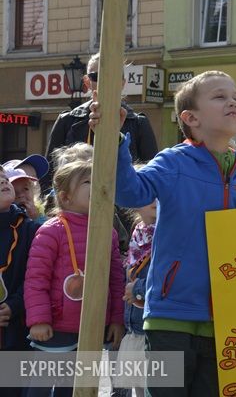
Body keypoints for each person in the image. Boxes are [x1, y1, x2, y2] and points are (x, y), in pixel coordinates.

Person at [90, 70, 236, 397]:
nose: (232, 102)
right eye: (220, 97)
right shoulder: (173, 162)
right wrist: (113, 138)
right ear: (191, 118)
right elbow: (130, 193)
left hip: (226, 318)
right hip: (172, 314)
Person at [24, 160, 125, 397]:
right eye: (88, 181)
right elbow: (36, 279)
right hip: (54, 327)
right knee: (39, 387)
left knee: (73, 390)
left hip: (91, 328)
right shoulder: (51, 230)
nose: (98, 184)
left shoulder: (107, 231)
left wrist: (117, 319)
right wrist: (39, 320)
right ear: (65, 196)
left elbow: (116, 279)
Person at [43, 53, 158, 190]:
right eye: (97, 76)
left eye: (112, 75)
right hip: (75, 207)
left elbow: (150, 179)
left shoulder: (139, 124)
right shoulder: (67, 121)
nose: (105, 81)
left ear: (122, 83)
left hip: (123, 206)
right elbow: (48, 177)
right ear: (87, 82)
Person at [114, 189, 157, 397]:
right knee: (137, 386)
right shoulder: (138, 233)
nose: (155, 200)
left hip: (153, 327)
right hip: (134, 325)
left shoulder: (169, 232)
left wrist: (138, 288)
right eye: (149, 194)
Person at [0, 168, 39, 397]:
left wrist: (14, 305)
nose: (4, 182)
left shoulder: (30, 229)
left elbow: (37, 276)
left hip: (17, 332)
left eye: (4, 179)